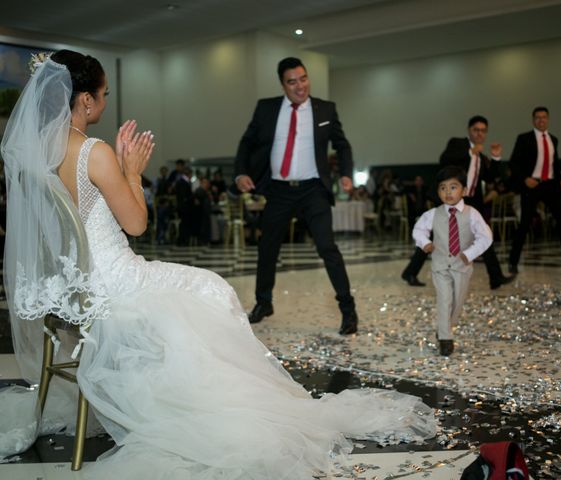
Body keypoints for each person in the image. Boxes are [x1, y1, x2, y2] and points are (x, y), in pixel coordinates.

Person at [0, 50, 436, 478]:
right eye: (105, 93)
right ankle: (213, 405)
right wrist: (132, 170)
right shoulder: (95, 152)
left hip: (74, 286)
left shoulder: (37, 153)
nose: (107, 101)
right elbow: (135, 223)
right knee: (211, 288)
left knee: (199, 289)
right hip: (117, 283)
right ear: (87, 100)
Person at [234, 57, 358, 335]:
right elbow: (247, 142)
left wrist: (346, 173)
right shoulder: (266, 109)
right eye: (292, 81)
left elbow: (342, 145)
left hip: (314, 189)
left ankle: (348, 310)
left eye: (303, 79)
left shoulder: (325, 109)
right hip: (278, 189)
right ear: (283, 84)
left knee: (327, 247)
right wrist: (240, 173)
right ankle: (263, 302)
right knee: (267, 248)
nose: (300, 86)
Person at [402, 116, 514, 290]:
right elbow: (444, 159)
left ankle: (495, 277)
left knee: (482, 233)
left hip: (470, 201)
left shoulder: (481, 157)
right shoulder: (458, 144)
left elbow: (491, 177)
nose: (479, 133)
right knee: (435, 236)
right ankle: (410, 272)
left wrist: (497, 158)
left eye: (483, 131)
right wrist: (470, 152)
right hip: (450, 199)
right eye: (476, 130)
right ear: (469, 130)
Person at [412, 166, 492, 356]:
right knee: (444, 299)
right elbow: (418, 230)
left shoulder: (472, 214)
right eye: (443, 188)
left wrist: (470, 253)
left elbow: (486, 236)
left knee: (457, 303)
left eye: (453, 187)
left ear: (464, 190)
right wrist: (425, 243)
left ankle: (444, 327)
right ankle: (445, 339)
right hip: (440, 266)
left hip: (462, 267)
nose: (448, 192)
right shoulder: (433, 214)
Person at [508, 107, 561, 272]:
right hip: (532, 184)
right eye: (537, 118)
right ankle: (513, 262)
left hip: (550, 185)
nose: (541, 120)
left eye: (544, 117)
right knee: (525, 223)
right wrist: (525, 179)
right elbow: (513, 163)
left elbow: (554, 163)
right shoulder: (524, 138)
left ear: (548, 119)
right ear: (533, 120)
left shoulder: (553, 139)